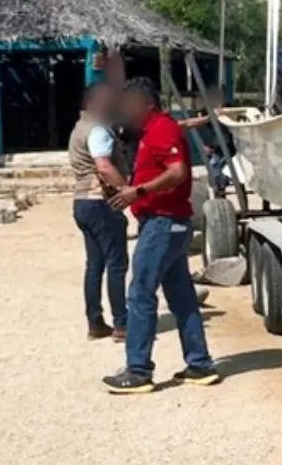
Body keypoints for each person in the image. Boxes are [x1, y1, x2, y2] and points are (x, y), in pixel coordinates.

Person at [103, 77, 219, 394]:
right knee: (182, 298)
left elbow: (179, 171)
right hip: (169, 223)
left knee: (140, 294)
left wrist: (137, 191)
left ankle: (138, 371)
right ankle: (200, 364)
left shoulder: (161, 128)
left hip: (163, 224)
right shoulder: (157, 128)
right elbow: (177, 138)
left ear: (145, 104)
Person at [67, 82, 130, 341]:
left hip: (82, 201)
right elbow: (103, 166)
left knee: (95, 265)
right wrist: (128, 189)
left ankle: (95, 322)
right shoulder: (98, 130)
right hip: (100, 201)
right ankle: (122, 324)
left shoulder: (79, 127)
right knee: (116, 264)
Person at [178, 86, 234, 198]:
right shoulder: (207, 111)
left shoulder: (229, 109)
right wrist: (203, 144)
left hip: (228, 145)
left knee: (217, 168)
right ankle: (219, 190)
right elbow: (198, 127)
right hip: (217, 145)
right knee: (215, 168)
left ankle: (219, 188)